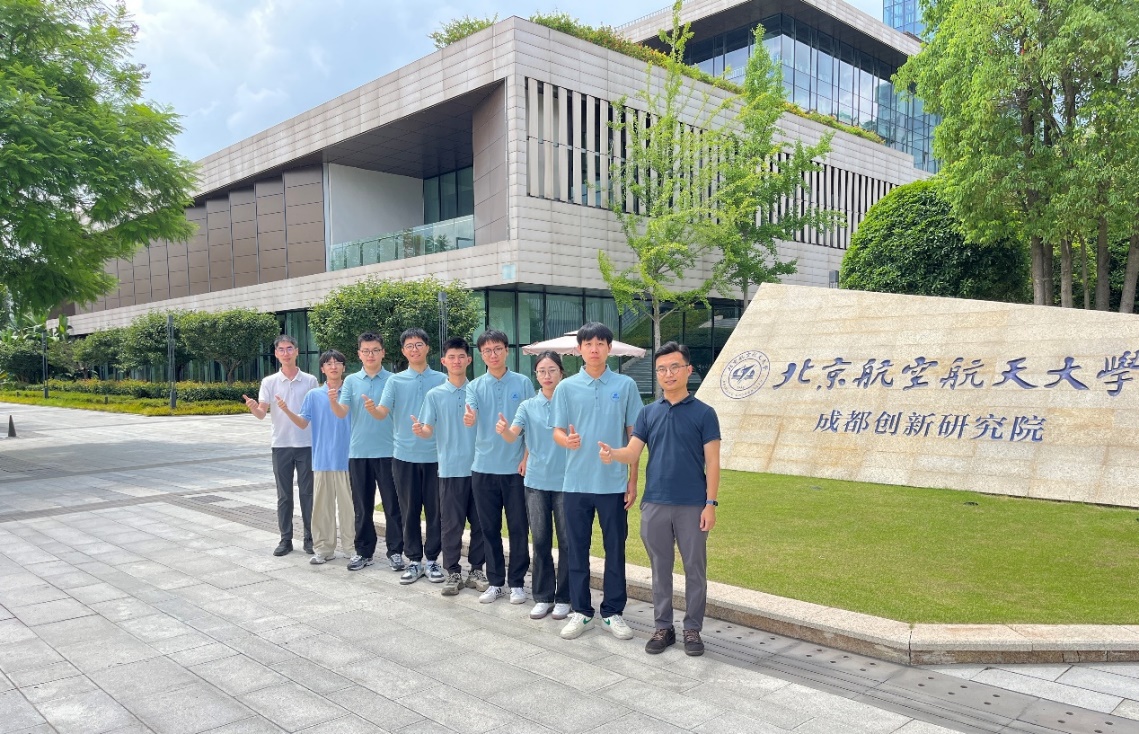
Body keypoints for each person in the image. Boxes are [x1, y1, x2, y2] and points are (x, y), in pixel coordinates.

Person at [600, 342, 720, 656]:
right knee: (659, 569)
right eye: (662, 369)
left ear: (688, 370)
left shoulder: (705, 414)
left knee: (695, 569)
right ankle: (663, 627)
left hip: (693, 505)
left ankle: (692, 629)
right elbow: (633, 452)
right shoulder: (648, 413)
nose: (668, 374)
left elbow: (713, 462)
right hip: (655, 503)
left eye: (674, 367)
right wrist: (613, 454)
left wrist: (710, 504)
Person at [552, 322, 641, 640]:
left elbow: (634, 436)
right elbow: (557, 430)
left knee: (615, 549)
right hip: (576, 484)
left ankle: (613, 612)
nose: (594, 349)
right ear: (579, 350)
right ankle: (581, 611)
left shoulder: (625, 385)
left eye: (600, 343)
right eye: (588, 344)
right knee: (576, 549)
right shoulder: (566, 387)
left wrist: (633, 480)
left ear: (609, 348)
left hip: (613, 484)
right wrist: (567, 441)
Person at [497, 350, 571, 620]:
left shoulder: (571, 402)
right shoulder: (528, 406)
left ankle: (565, 597)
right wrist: (504, 430)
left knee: (567, 543)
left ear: (561, 372)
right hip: (536, 482)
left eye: (552, 370)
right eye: (542, 371)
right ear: (536, 375)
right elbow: (513, 436)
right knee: (540, 542)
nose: (547, 375)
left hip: (566, 482)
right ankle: (542, 596)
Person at [463, 329, 535, 605]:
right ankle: (495, 582)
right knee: (489, 529)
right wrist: (470, 418)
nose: (493, 355)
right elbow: (470, 411)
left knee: (518, 528)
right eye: (487, 351)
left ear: (506, 350)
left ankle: (517, 583)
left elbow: (531, 425)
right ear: (481, 355)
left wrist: (526, 457)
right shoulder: (475, 386)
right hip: (483, 468)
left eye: (497, 349)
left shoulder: (523, 382)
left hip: (515, 470)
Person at [415, 337, 488, 596]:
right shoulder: (434, 395)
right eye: (451, 357)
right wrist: (421, 431)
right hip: (449, 469)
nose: (457, 361)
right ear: (444, 361)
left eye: (461, 356)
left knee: (480, 523)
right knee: (451, 525)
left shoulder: (478, 391)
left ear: (469, 360)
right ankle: (453, 572)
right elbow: (427, 429)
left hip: (480, 468)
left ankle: (477, 569)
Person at [375, 328, 446, 584]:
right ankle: (414, 560)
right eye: (409, 346)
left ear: (427, 347)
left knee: (436, 511)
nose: (414, 349)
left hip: (436, 457)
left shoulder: (442, 379)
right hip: (404, 456)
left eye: (418, 344)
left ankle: (433, 560)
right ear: (403, 351)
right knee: (409, 511)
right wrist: (372, 409)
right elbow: (382, 412)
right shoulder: (395, 381)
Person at [329, 332, 404, 573]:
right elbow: (342, 412)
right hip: (359, 452)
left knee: (393, 505)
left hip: (389, 452)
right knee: (362, 507)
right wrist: (333, 402)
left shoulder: (394, 380)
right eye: (366, 351)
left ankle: (395, 552)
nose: (370, 355)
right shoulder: (351, 381)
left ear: (383, 352)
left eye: (375, 350)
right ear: (359, 354)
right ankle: (363, 552)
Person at [273, 350, 353, 565]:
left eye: (338, 363)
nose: (333, 366)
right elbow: (302, 423)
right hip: (322, 459)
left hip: (348, 459)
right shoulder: (314, 395)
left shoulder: (351, 393)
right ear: (323, 369)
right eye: (329, 363)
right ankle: (324, 549)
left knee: (349, 509)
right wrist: (286, 410)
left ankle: (351, 548)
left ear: (344, 367)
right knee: (322, 509)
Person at [243, 334, 318, 557]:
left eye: (289, 348)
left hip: (306, 444)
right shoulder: (269, 382)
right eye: (281, 349)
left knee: (308, 494)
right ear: (276, 354)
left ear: (297, 351)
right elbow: (261, 413)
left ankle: (310, 539)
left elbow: (315, 413)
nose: (286, 353)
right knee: (284, 495)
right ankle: (286, 539)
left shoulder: (310, 381)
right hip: (281, 445)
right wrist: (253, 407)